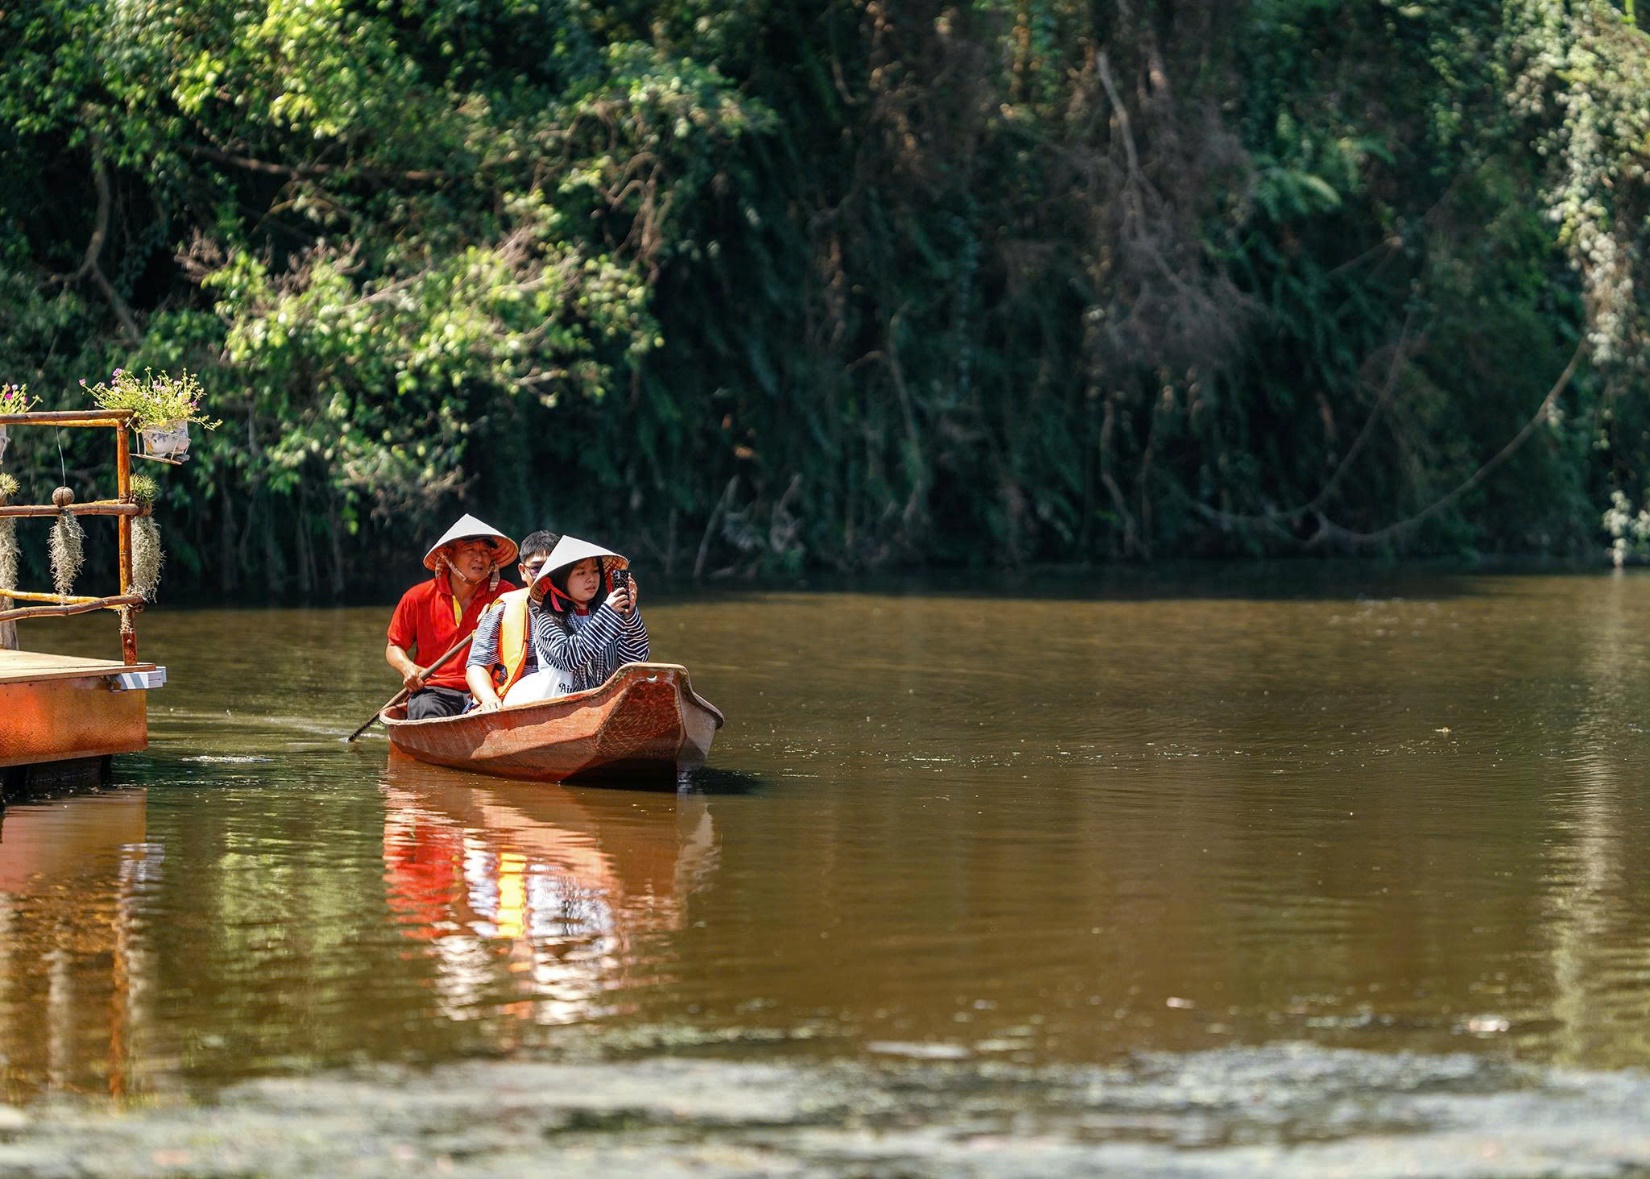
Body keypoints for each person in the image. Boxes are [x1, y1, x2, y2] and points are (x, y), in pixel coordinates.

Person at [385, 514, 518, 720]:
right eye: (470, 550)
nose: (480, 558)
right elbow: (394, 646)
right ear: (449, 555)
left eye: (485, 551)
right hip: (434, 689)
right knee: (428, 711)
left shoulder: (505, 596)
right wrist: (408, 668)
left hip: (487, 690)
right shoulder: (418, 597)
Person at [507, 535, 649, 703]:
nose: (591, 578)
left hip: (604, 703)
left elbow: (635, 659)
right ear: (562, 580)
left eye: (595, 571)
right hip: (560, 706)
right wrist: (608, 612)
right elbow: (568, 657)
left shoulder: (610, 615)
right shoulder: (548, 620)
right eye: (581, 573)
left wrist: (630, 615)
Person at [464, 528, 561, 712]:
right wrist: (489, 698)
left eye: (553, 568)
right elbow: (477, 667)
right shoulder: (503, 609)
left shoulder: (579, 608)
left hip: (561, 697)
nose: (545, 576)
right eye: (537, 568)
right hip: (512, 703)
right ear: (523, 571)